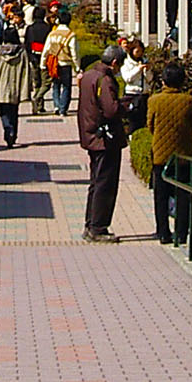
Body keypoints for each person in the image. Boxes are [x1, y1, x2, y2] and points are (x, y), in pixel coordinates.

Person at [77, 44, 128, 243]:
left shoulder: (90, 74)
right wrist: (126, 105)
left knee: (95, 182)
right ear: (114, 62)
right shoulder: (105, 80)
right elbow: (110, 110)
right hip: (105, 139)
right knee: (105, 183)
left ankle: (91, 224)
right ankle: (98, 227)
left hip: (91, 135)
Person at [146, 61, 192, 245]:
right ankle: (182, 233)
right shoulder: (189, 101)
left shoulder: (154, 100)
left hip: (160, 154)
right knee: (183, 193)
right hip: (183, 153)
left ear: (164, 81)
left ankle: (163, 233)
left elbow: (150, 125)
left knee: (161, 194)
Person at [0, 28, 36, 148]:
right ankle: (13, 133)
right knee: (14, 111)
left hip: (2, 85)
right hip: (16, 85)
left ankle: (7, 129)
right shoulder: (21, 51)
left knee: (3, 111)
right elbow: (25, 70)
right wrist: (26, 86)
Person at [41, 10, 80, 118]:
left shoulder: (52, 34)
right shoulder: (71, 35)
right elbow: (74, 52)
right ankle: (63, 109)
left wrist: (43, 63)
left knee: (56, 85)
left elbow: (46, 49)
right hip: (65, 63)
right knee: (66, 86)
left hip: (54, 63)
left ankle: (56, 106)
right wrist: (77, 67)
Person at [23, 7, 52, 116]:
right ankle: (39, 102)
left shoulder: (30, 28)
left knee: (37, 82)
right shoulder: (47, 28)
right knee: (46, 82)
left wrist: (29, 57)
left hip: (34, 57)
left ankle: (37, 103)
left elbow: (27, 44)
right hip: (45, 58)